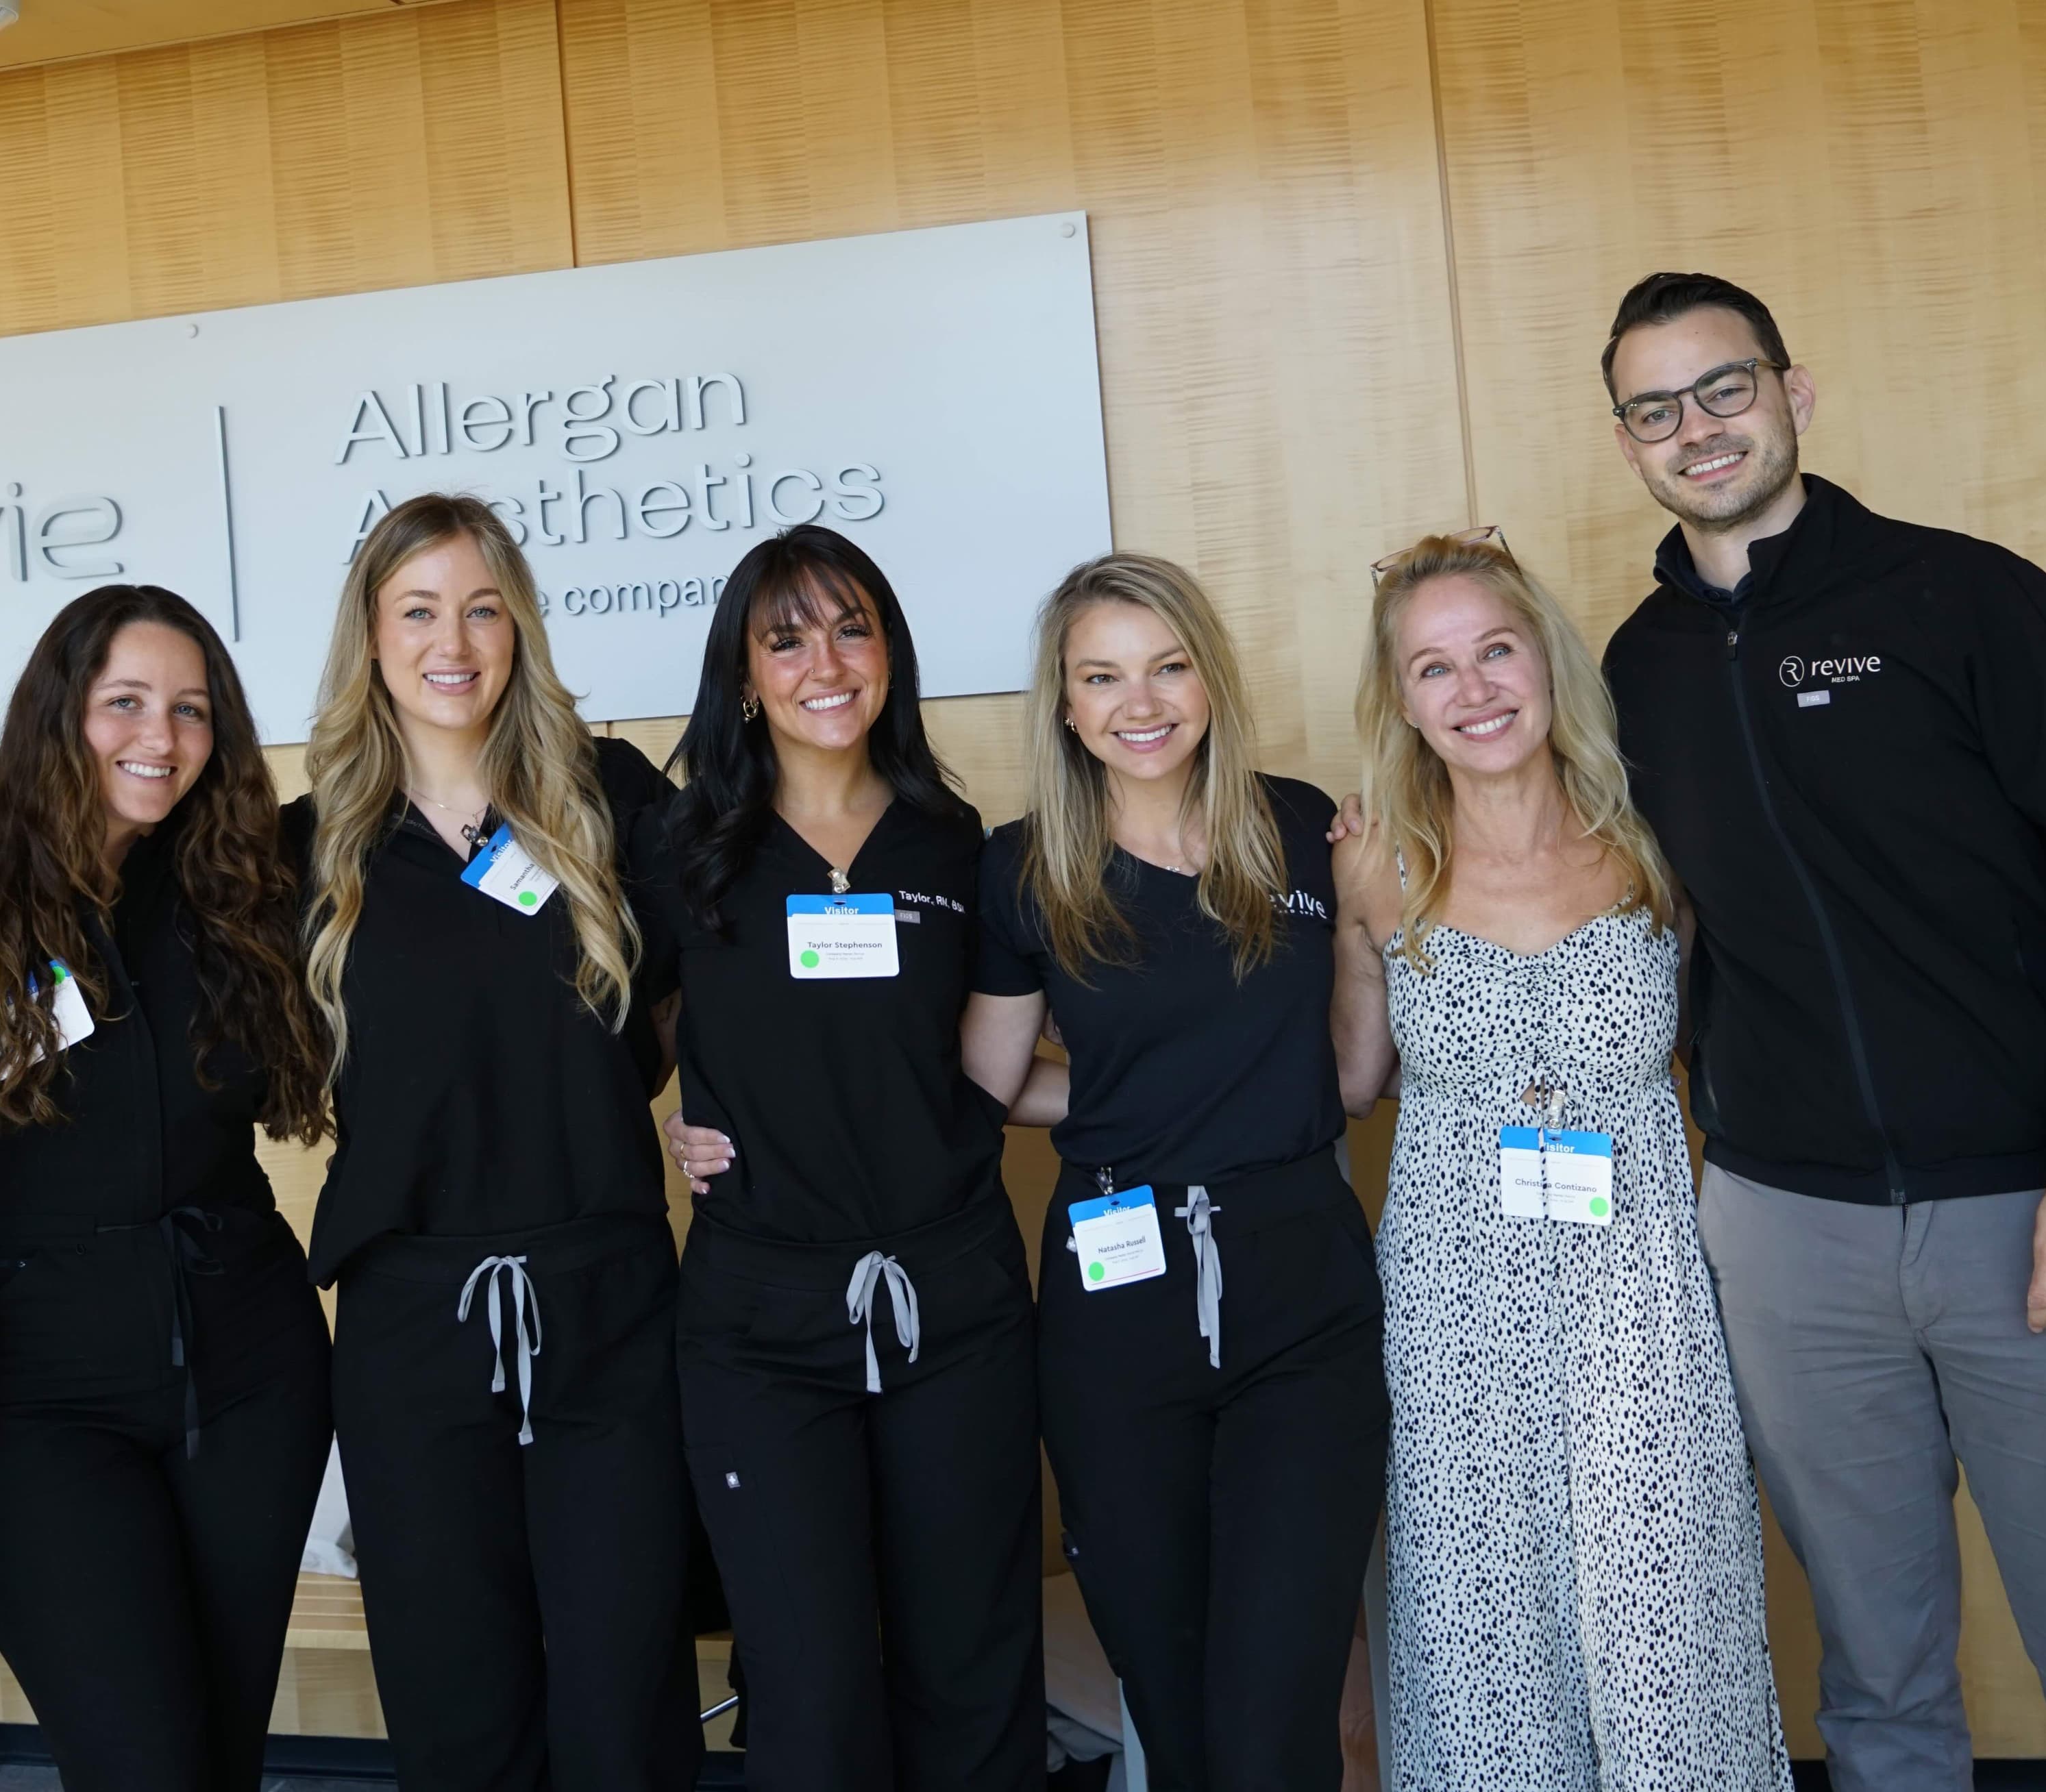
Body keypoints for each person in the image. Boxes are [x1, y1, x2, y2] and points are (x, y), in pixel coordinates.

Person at [1597, 271, 2046, 1789]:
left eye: (1724, 388)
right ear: (1624, 440)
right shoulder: (1637, 669)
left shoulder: (1966, 597)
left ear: (1792, 391)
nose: (1697, 428)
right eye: (1655, 408)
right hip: (1786, 1228)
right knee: (1878, 1683)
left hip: (2034, 1214)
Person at [1331, 533, 1791, 1791]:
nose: (1473, 691)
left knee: (1666, 1621)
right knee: (1481, 1631)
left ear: (1546, 659)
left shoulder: (1654, 838)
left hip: (1637, 1295)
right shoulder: (1375, 862)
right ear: (1401, 703)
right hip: (1451, 1305)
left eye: (1494, 650)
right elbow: (1349, 1079)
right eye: (1434, 669)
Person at [290, 494, 702, 1792]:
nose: (452, 641)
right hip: (414, 1323)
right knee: (454, 1688)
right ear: (370, 634)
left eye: (481, 608)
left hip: (608, 1304)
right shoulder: (309, 851)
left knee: (625, 1683)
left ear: (519, 627)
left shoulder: (611, 800)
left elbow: (714, 984)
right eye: (418, 610)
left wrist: (713, 1106)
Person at [0, 586, 333, 1792]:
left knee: (223, 1753)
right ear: (58, 714)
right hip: (41, 1405)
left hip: (251, 1374)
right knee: (140, 1762)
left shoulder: (243, 896)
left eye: (192, 710)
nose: (163, 735)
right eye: (125, 702)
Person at [636, 523, 1042, 1791]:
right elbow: (621, 1037)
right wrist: (658, 1115)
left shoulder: (949, 840)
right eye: (786, 636)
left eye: (851, 626)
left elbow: (987, 1066)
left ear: (890, 655)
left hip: (956, 1296)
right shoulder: (685, 843)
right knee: (808, 1686)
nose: (825, 659)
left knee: (971, 1660)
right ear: (742, 673)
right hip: (762, 1321)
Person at [974, 553, 1386, 1789]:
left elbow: (1355, 1079)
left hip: (1299, 1285)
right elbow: (995, 1085)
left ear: (1208, 677)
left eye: (1165, 668)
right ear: (1063, 701)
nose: (1137, 703)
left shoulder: (1299, 827)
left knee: (1279, 1709)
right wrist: (1126, 1110)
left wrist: (1364, 922)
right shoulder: (1025, 865)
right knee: (1172, 1690)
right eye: (1101, 676)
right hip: (1117, 1306)